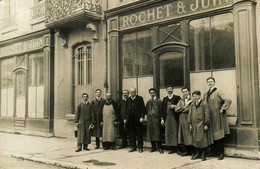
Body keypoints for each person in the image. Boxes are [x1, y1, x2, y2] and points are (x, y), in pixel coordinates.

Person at [204, 77, 232, 160]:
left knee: (219, 135)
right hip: (210, 117)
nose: (210, 83)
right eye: (208, 82)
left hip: (217, 117)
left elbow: (228, 100)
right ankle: (213, 152)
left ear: (214, 82)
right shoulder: (206, 94)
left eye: (211, 81)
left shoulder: (218, 91)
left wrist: (222, 108)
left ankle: (221, 154)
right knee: (211, 135)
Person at [188, 91, 213, 161]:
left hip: (201, 124)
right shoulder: (192, 104)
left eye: (196, 96)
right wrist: (190, 124)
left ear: (199, 96)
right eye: (193, 96)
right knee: (195, 139)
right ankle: (197, 153)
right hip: (194, 124)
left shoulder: (204, 103)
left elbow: (207, 115)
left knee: (202, 139)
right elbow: (190, 114)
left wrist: (206, 124)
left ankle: (203, 154)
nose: (194, 97)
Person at [125, 87, 146, 153]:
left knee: (139, 133)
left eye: (133, 92)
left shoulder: (140, 98)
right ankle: (133, 147)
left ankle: (140, 147)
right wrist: (125, 118)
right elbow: (126, 109)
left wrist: (142, 117)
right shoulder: (128, 99)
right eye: (131, 92)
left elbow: (143, 109)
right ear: (130, 93)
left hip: (138, 119)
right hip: (130, 119)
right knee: (131, 134)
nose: (132, 93)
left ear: (136, 92)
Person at [162, 85, 181, 154]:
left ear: (173, 89)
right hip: (167, 118)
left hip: (174, 118)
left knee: (175, 132)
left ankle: (177, 148)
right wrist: (162, 119)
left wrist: (175, 106)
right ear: (166, 90)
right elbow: (162, 109)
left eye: (170, 89)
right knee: (169, 133)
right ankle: (171, 148)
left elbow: (180, 106)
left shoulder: (177, 97)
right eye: (168, 89)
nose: (169, 90)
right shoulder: (164, 99)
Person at [175, 87, 193, 156]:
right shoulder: (181, 101)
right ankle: (186, 151)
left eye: (186, 91)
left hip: (189, 120)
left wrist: (183, 109)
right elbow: (176, 109)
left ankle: (192, 151)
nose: (185, 93)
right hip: (182, 120)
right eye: (183, 92)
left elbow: (190, 109)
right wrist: (183, 108)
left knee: (190, 135)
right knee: (184, 136)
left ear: (189, 92)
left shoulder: (192, 100)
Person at [145, 88, 164, 154]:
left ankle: (160, 147)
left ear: (155, 93)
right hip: (150, 119)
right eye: (151, 93)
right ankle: (153, 147)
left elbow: (161, 111)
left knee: (157, 133)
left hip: (156, 119)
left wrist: (162, 119)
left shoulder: (159, 101)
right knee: (151, 133)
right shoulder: (149, 101)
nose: (152, 94)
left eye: (153, 92)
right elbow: (146, 110)